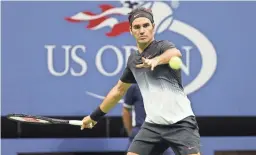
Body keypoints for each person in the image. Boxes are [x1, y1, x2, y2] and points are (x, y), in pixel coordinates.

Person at [81, 7, 201, 155]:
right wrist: (94, 117)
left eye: (146, 25)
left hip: (181, 124)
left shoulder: (163, 47)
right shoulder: (133, 60)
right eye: (137, 27)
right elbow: (118, 90)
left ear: (153, 27)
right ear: (131, 31)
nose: (142, 30)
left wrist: (156, 60)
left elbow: (175, 53)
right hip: (153, 126)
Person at [122, 84, 174, 155]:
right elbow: (126, 110)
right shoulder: (134, 86)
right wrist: (131, 132)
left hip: (162, 134)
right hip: (140, 132)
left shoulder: (167, 85)